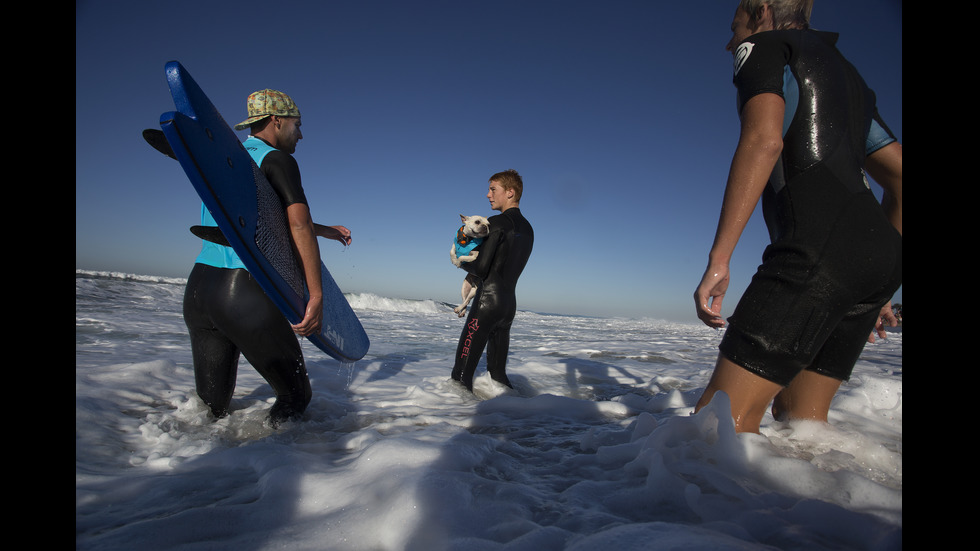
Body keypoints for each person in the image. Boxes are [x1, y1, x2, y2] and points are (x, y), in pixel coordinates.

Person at [693, 0, 902, 433]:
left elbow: (763, 142)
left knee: (715, 432)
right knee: (804, 427)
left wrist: (720, 257)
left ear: (762, 11)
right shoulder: (851, 79)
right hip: (878, 263)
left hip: (814, 252)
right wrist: (874, 277)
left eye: (735, 28)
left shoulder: (767, 47)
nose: (729, 42)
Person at [182, 89, 351, 427]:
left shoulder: (227, 157)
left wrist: (326, 230)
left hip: (200, 289)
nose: (300, 134)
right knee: (295, 397)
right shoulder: (278, 160)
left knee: (210, 410)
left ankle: (195, 469)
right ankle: (268, 472)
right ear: (277, 121)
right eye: (297, 125)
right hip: (243, 290)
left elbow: (262, 218)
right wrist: (315, 296)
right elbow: (296, 222)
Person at [451, 169, 534, 391]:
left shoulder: (496, 222)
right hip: (508, 306)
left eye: (492, 189)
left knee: (460, 375)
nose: (488, 195)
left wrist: (459, 260)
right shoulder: (528, 229)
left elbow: (481, 267)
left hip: (487, 304)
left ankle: (459, 420)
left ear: (510, 192)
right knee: (498, 376)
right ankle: (513, 420)